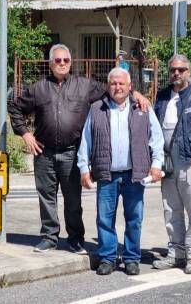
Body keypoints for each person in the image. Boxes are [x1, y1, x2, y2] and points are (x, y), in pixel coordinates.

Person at [9, 44, 151, 254]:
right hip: (44, 152)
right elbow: (15, 107)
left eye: (66, 60)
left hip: (71, 152)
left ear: (71, 63)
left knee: (73, 199)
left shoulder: (83, 86)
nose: (62, 64)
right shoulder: (38, 89)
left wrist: (136, 94)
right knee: (46, 197)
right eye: (57, 60)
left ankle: (75, 239)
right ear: (50, 64)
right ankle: (49, 237)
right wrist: (25, 134)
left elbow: (113, 89)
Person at [77, 67, 164, 276]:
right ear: (109, 86)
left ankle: (131, 258)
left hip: (135, 174)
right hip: (107, 174)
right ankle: (107, 258)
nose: (117, 87)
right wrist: (83, 168)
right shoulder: (97, 109)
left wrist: (156, 164)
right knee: (105, 218)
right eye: (114, 83)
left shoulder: (142, 108)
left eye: (121, 83)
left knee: (134, 217)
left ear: (129, 86)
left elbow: (157, 139)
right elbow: (86, 141)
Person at [152, 54, 191, 274]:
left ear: (188, 71)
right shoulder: (161, 97)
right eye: (173, 70)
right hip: (167, 163)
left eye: (181, 69)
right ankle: (176, 253)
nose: (176, 73)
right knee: (171, 209)